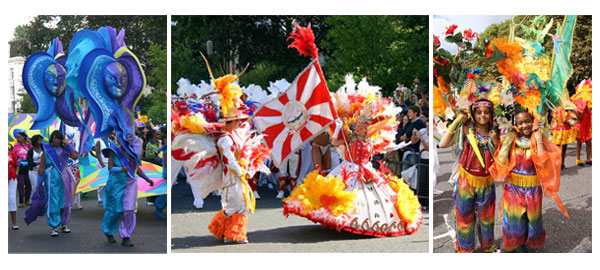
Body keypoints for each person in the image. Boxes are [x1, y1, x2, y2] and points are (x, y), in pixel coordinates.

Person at [490, 107, 569, 252]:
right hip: (513, 188)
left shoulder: (540, 138)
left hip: (533, 189)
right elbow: (501, 160)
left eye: (527, 121)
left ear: (533, 121)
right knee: (513, 220)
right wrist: (497, 140)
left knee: (533, 220)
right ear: (516, 124)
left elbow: (544, 163)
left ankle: (531, 248)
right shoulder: (511, 139)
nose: (524, 125)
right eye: (520, 123)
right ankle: (512, 245)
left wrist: (538, 139)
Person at [438, 99, 499, 253]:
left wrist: (495, 140)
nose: (483, 115)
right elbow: (443, 144)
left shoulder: (495, 132)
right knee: (464, 217)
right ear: (473, 114)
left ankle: (488, 246)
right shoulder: (466, 130)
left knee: (487, 219)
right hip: (466, 181)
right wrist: (457, 120)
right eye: (479, 112)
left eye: (486, 112)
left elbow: (501, 157)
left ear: (491, 114)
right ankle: (465, 250)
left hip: (486, 182)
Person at [102, 132, 154, 247]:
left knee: (130, 210)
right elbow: (110, 168)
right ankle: (108, 231)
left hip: (130, 184)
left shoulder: (133, 152)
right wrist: (120, 169)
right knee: (114, 210)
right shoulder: (114, 151)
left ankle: (126, 236)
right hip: (116, 184)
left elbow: (137, 169)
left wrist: (147, 179)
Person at [27, 130, 79, 236]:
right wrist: (39, 182)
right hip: (52, 177)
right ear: (52, 139)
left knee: (66, 200)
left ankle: (64, 224)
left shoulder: (65, 149)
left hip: (65, 176)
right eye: (55, 138)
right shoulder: (47, 150)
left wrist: (67, 143)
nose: (56, 140)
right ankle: (54, 226)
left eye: (59, 138)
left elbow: (75, 156)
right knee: (54, 201)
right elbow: (42, 166)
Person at [399, 106, 426, 171]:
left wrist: (407, 136)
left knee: (412, 174)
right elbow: (401, 134)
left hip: (414, 152)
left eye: (410, 112)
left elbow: (409, 136)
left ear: (415, 113)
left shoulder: (420, 124)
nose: (408, 114)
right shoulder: (409, 123)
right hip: (406, 151)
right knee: (404, 173)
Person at [550, 106, 576, 170]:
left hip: (566, 130)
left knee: (564, 149)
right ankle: (556, 164)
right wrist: (572, 122)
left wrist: (573, 120)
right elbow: (564, 121)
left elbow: (571, 119)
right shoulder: (559, 108)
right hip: (560, 131)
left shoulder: (568, 109)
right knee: (557, 149)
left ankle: (562, 164)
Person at [13, 131, 32, 207]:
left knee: (28, 184)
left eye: (19, 137)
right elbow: (13, 155)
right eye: (17, 137)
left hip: (28, 167)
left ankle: (27, 199)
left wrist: (30, 143)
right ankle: (21, 201)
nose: (17, 138)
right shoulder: (16, 146)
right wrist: (17, 162)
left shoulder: (29, 145)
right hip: (20, 167)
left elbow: (32, 154)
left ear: (24, 137)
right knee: (20, 184)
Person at [9, 144, 19, 230]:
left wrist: (16, 172)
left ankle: (14, 222)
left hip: (11, 179)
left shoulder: (11, 154)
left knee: (12, 199)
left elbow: (16, 165)